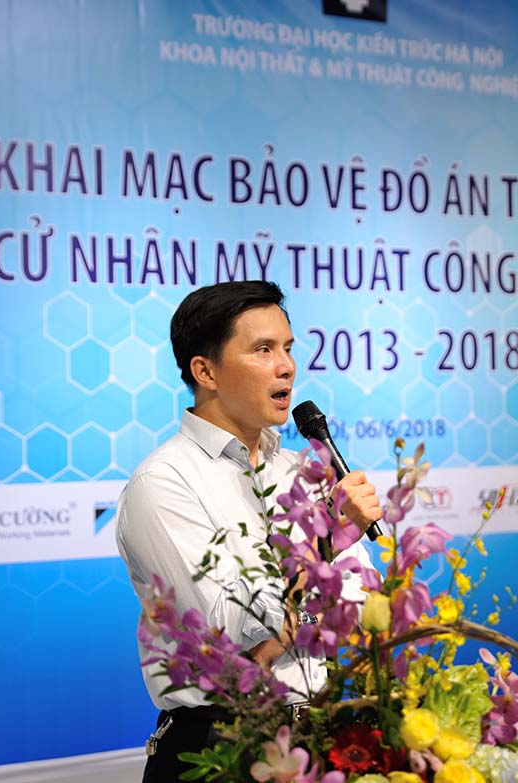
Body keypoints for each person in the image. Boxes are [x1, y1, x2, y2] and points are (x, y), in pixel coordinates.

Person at [116, 280, 382, 782]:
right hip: (218, 747)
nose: (286, 366)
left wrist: (288, 620)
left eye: (288, 348)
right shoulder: (163, 483)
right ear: (206, 371)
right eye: (263, 350)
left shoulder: (302, 471)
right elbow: (228, 633)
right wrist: (324, 545)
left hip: (320, 737)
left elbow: (360, 607)